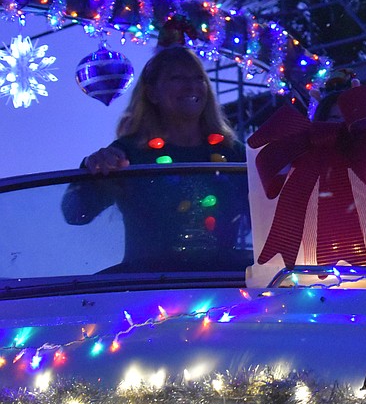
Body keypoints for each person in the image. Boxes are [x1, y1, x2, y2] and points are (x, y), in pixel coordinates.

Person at [63, 45, 251, 273]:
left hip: (223, 286)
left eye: (198, 78)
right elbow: (75, 213)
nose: (191, 86)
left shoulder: (233, 153)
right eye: (177, 78)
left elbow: (268, 215)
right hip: (148, 288)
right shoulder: (129, 152)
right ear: (152, 93)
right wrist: (95, 167)